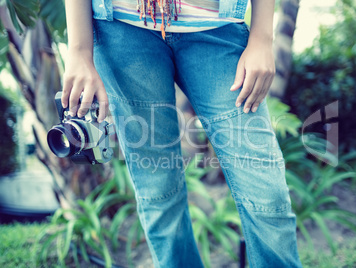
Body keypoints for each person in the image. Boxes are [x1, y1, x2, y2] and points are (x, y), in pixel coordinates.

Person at [62, 0, 302, 267]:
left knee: (266, 190)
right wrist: (79, 52)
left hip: (217, 29)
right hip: (123, 30)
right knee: (158, 191)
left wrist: (262, 38)